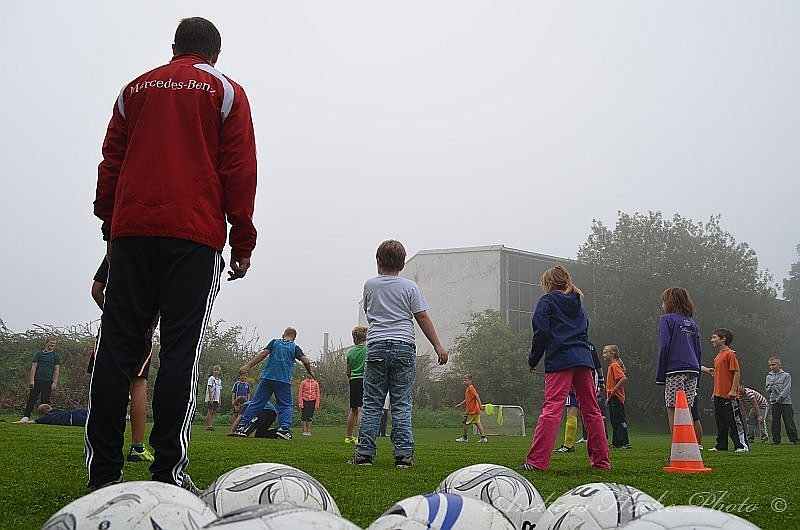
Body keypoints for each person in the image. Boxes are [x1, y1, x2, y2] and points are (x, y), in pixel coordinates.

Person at [88, 17, 258, 493]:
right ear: (215, 54)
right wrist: (242, 240)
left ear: (173, 48)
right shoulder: (225, 92)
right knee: (180, 350)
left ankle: (103, 475)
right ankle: (166, 473)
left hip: (132, 232)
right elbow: (240, 169)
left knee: (117, 351)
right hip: (194, 237)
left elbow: (111, 163)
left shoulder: (134, 90)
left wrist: (111, 229)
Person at [349, 240, 448, 468]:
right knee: (401, 403)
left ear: (378, 261)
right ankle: (403, 456)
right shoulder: (410, 287)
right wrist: (437, 346)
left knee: (372, 403)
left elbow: (369, 311)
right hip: (404, 346)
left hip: (376, 347)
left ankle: (364, 454)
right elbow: (421, 317)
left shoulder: (370, 285)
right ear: (402, 264)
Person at [519, 266, 610, 472]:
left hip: (560, 359)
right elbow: (584, 330)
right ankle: (602, 462)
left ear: (548, 284)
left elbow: (541, 331)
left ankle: (536, 462)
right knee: (592, 411)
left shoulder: (547, 301)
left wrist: (533, 359)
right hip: (583, 359)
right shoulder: (578, 304)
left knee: (552, 409)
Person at [89, 257, 156, 463]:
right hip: (141, 327)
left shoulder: (116, 248)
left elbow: (96, 290)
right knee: (138, 382)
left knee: (105, 380)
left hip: (113, 326)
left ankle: (98, 447)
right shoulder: (158, 254)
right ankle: (137, 447)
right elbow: (161, 300)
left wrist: (109, 314)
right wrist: (151, 324)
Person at [233, 327, 314, 440]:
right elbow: (306, 361)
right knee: (285, 405)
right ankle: (284, 429)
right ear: (294, 338)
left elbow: (263, 354)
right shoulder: (295, 347)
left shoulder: (274, 342)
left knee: (256, 403)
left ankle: (241, 427)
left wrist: (248, 366)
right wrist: (310, 371)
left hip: (267, 378)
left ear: (283, 335)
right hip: (283, 381)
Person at [656, 287, 703, 437]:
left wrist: (660, 374)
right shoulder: (692, 323)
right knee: (686, 408)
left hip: (675, 369)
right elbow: (698, 350)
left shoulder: (667, 320)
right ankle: (690, 448)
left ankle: (679, 449)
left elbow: (664, 346)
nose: (662, 305)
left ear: (670, 302)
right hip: (693, 370)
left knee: (673, 408)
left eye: (663, 302)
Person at [703, 328, 748, 452]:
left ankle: (741, 445)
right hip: (719, 394)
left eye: (714, 337)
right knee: (720, 421)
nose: (712, 340)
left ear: (723, 339)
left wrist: (734, 390)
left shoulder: (730, 354)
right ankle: (721, 445)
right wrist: (714, 392)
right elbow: (718, 377)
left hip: (729, 395)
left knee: (734, 420)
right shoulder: (717, 356)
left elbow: (736, 372)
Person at [19, 338, 60, 423]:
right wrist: (31, 380)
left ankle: (44, 418)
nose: (52, 345)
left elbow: (56, 370)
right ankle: (26, 416)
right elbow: (34, 367)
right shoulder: (39, 354)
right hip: (37, 380)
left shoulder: (56, 356)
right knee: (32, 399)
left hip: (48, 381)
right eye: (51, 343)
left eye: (54, 344)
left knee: (45, 401)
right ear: (46, 343)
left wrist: (55, 382)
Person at [765, 357, 798, 444]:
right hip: (774, 402)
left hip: (785, 402)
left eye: (773, 365)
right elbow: (767, 390)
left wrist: (780, 398)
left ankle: (794, 439)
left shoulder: (786, 375)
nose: (772, 367)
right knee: (775, 422)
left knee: (789, 421)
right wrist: (770, 386)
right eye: (770, 365)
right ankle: (776, 440)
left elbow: (786, 389)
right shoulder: (768, 376)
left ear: (779, 365)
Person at [604, 345, 631, 449]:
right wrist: (608, 398)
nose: (603, 355)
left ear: (613, 354)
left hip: (617, 398)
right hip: (612, 398)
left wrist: (614, 391)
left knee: (620, 420)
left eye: (606, 352)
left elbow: (623, 378)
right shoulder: (611, 366)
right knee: (614, 421)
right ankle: (617, 443)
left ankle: (625, 442)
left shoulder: (615, 365)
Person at [345, 326, 367, 444]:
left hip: (353, 380)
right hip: (365, 380)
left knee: (353, 410)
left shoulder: (350, 352)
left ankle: (349, 436)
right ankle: (361, 437)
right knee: (361, 410)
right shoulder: (369, 349)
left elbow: (348, 372)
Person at [455, 374, 488, 443]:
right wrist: (460, 404)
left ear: (470, 380)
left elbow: (477, 396)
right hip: (476, 410)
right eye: (463, 380)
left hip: (472, 410)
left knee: (465, 423)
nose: (464, 382)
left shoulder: (471, 388)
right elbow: (467, 399)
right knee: (478, 423)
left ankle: (465, 438)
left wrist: (480, 405)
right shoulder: (468, 389)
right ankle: (483, 438)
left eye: (465, 380)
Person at [21, 404, 89, 427]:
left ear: (43, 414)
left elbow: (32, 422)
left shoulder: (47, 417)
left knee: (91, 424)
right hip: (77, 410)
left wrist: (17, 422)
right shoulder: (57, 410)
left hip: (73, 419)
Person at [205, 365, 222, 431]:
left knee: (213, 412)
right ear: (213, 371)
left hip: (216, 398)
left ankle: (211, 424)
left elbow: (219, 390)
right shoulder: (211, 378)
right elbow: (209, 388)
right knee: (210, 410)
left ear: (219, 372)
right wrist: (210, 398)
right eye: (215, 370)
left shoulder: (219, 380)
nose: (216, 372)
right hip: (211, 398)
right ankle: (209, 425)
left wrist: (219, 400)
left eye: (217, 370)